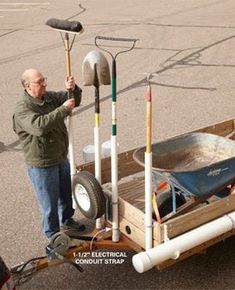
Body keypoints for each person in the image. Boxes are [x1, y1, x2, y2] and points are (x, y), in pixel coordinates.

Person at [13, 68, 85, 240]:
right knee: (49, 204)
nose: (45, 83)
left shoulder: (48, 96)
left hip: (60, 156)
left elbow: (73, 100)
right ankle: (53, 237)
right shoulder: (22, 108)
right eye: (40, 81)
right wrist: (63, 110)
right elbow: (39, 126)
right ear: (28, 86)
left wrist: (72, 88)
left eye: (44, 79)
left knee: (66, 194)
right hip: (42, 164)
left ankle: (66, 220)